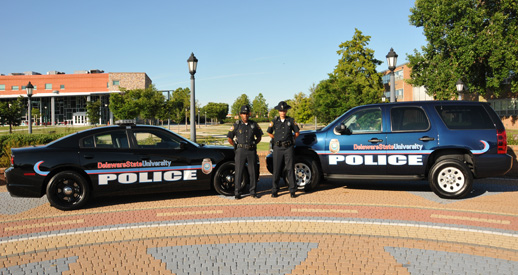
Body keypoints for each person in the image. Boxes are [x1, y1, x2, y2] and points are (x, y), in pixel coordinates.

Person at [227, 105, 263, 199]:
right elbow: (229, 138)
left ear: (249, 114)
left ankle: (253, 192)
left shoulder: (254, 124)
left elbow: (259, 136)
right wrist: (236, 146)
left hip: (251, 150)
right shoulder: (237, 125)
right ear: (240, 114)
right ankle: (237, 193)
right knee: (239, 171)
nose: (245, 115)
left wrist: (254, 143)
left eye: (247, 113)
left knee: (253, 172)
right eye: (243, 113)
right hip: (241, 151)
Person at [267, 101, 300, 198]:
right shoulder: (274, 121)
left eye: (284, 110)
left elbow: (297, 132)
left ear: (286, 111)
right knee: (276, 169)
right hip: (278, 148)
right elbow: (269, 132)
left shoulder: (291, 120)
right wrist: (276, 138)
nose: (282, 112)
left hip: (288, 148)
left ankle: (292, 190)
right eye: (281, 110)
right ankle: (274, 190)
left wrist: (292, 139)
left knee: (290, 169)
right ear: (278, 111)